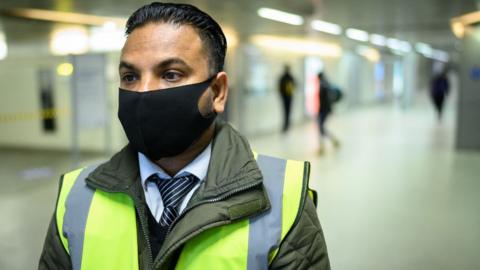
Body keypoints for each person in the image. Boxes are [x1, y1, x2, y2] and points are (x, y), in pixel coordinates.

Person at [38, 2, 330, 269]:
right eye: (130, 77)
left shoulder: (282, 201)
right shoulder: (77, 198)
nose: (143, 91)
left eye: (171, 74)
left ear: (217, 92)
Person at [317, 72, 340, 155]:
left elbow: (324, 100)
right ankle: (332, 141)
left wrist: (321, 110)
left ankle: (323, 147)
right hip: (325, 109)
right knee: (321, 127)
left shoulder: (323, 85)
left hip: (323, 110)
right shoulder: (326, 84)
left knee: (321, 127)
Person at [278, 65, 296, 132]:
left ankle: (287, 125)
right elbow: (280, 88)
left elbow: (294, 86)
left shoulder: (289, 77)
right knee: (286, 112)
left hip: (288, 97)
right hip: (287, 97)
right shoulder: (285, 77)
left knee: (287, 112)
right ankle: (286, 125)